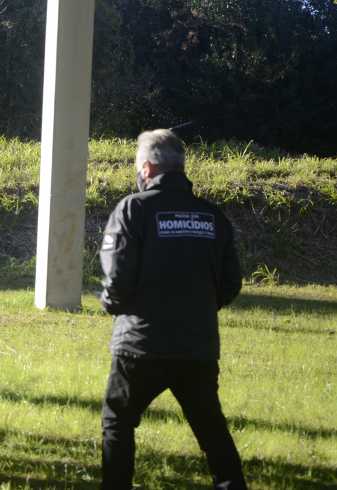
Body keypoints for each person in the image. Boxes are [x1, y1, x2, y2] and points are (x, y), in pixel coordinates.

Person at [99, 129, 247, 490]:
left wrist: (113, 306)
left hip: (141, 345)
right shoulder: (212, 216)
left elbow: (117, 278)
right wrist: (196, 310)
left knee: (118, 422)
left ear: (146, 168)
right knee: (212, 430)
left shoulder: (133, 209)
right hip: (196, 345)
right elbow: (230, 282)